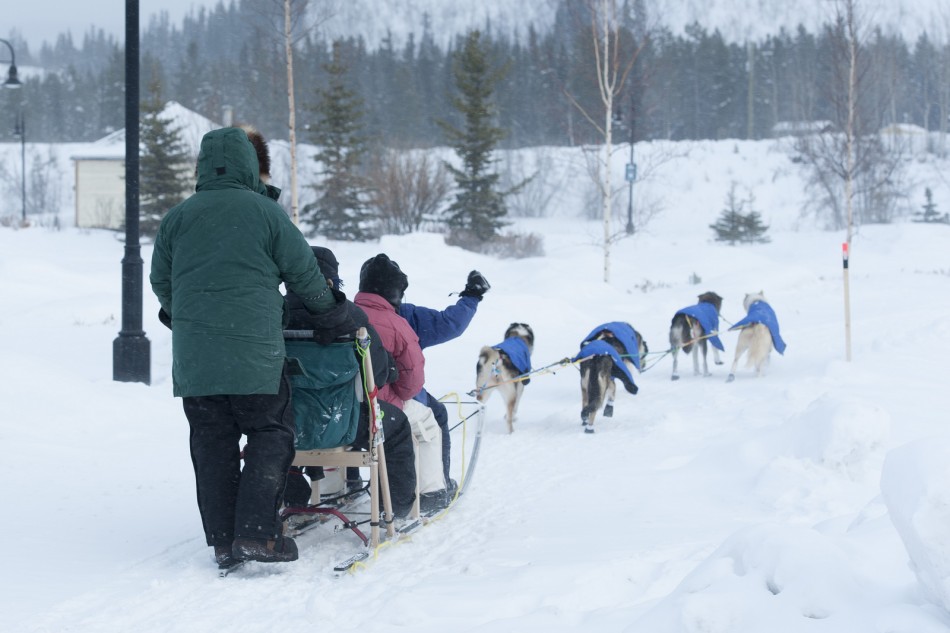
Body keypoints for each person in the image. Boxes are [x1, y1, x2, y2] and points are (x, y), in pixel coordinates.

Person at [150, 126, 349, 566]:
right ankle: (258, 534)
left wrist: (182, 313)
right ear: (247, 165)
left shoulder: (177, 218)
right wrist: (330, 312)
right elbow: (304, 274)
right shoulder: (265, 212)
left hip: (196, 360)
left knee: (212, 443)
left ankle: (224, 542)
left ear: (202, 166)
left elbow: (161, 282)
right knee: (270, 435)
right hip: (255, 352)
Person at [282, 247, 418, 518]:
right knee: (398, 424)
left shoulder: (274, 312)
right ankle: (397, 508)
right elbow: (376, 375)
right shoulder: (350, 314)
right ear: (332, 277)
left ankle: (291, 491)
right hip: (345, 424)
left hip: (285, 425)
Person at [399, 270, 490, 502]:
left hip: (350, 406)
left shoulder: (348, 314)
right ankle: (436, 487)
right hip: (396, 400)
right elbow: (449, 323)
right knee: (436, 413)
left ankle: (339, 485)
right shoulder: (404, 317)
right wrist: (471, 296)